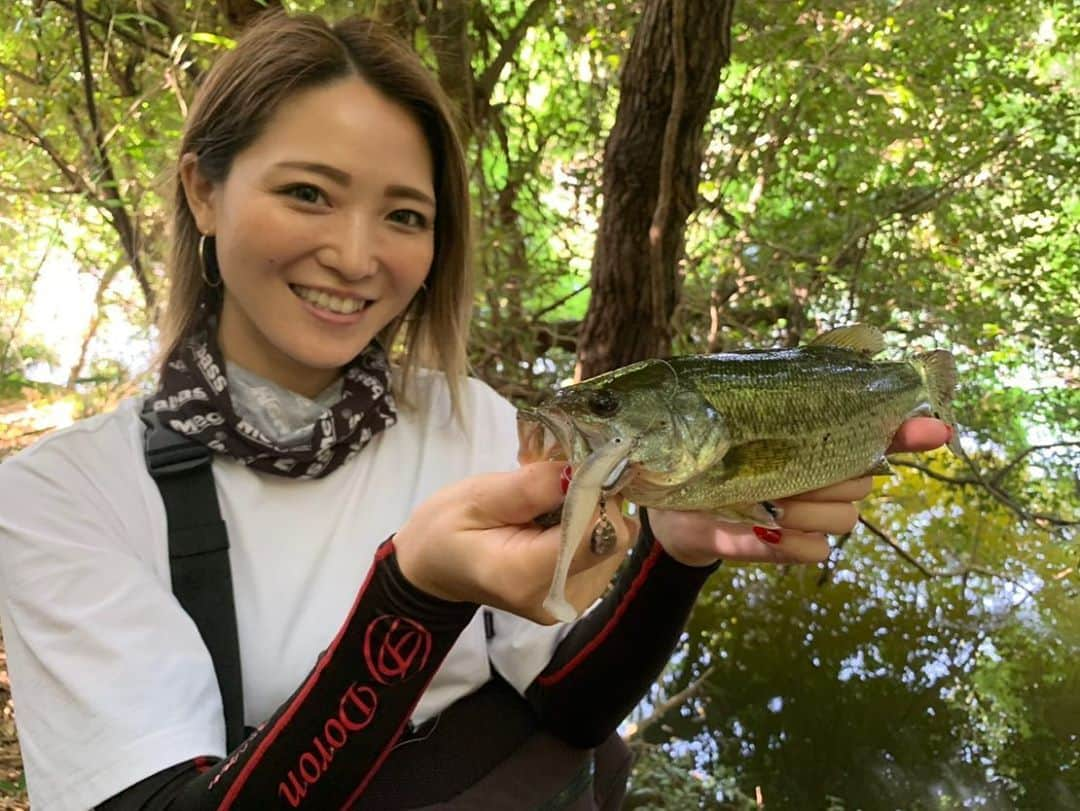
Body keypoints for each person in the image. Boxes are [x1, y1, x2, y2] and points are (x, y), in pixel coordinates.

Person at [0, 11, 950, 811]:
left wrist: (676, 550)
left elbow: (570, 705)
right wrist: (413, 596)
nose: (357, 253)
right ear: (205, 190)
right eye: (308, 194)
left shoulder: (475, 419)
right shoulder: (62, 495)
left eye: (405, 215)